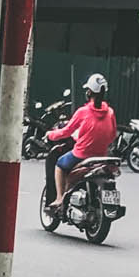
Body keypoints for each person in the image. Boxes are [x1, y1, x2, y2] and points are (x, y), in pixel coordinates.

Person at [45, 73, 117, 208]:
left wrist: (50, 135)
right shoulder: (110, 112)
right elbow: (112, 135)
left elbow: (66, 132)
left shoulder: (82, 112)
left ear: (89, 92)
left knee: (60, 165)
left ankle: (59, 198)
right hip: (101, 156)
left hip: (82, 155)